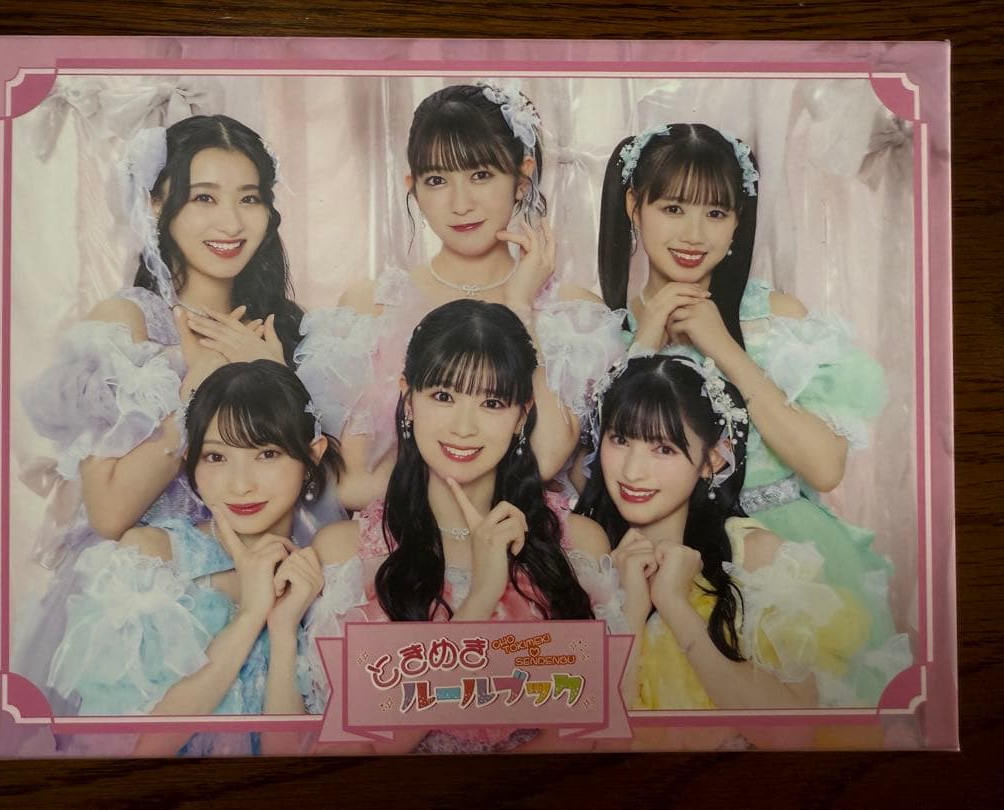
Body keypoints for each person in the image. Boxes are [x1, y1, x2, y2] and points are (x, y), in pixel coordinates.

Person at [594, 123, 910, 705]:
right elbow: (591, 477)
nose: (694, 234)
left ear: (738, 222)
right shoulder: (602, 330)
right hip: (658, 558)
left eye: (716, 213)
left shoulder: (776, 318)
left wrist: (724, 347)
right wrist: (644, 346)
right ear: (634, 206)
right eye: (673, 208)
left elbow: (826, 468)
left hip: (784, 555)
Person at [14, 114, 311, 711]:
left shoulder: (284, 328)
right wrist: (196, 385)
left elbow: (317, 479)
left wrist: (276, 376)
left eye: (249, 198)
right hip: (159, 590)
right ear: (157, 205)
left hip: (274, 576)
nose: (231, 223)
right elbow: (109, 512)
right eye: (204, 198)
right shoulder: (127, 324)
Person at [301, 300, 618, 753]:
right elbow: (364, 755)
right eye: (443, 396)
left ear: (522, 414)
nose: (464, 427)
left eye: (491, 402)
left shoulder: (577, 547)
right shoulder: (346, 554)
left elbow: (591, 739)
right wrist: (483, 594)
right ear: (408, 399)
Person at [296, 82, 624, 510]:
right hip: (400, 541)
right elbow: (348, 483)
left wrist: (520, 305)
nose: (460, 203)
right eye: (437, 180)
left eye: (481, 175)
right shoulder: (370, 308)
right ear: (413, 187)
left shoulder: (574, 317)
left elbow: (543, 460)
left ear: (521, 179)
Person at [46, 360, 343, 756]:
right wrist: (250, 616)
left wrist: (283, 629)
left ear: (313, 455)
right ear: (191, 462)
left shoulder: (321, 580)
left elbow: (290, 759)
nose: (241, 484)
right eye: (216, 457)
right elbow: (140, 749)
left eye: (267, 454)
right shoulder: (151, 561)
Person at [576, 354, 879, 710]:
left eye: (664, 449)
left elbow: (793, 730)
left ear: (712, 460)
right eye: (620, 439)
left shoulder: (755, 558)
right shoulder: (583, 555)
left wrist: (675, 605)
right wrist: (630, 613)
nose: (632, 471)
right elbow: (589, 722)